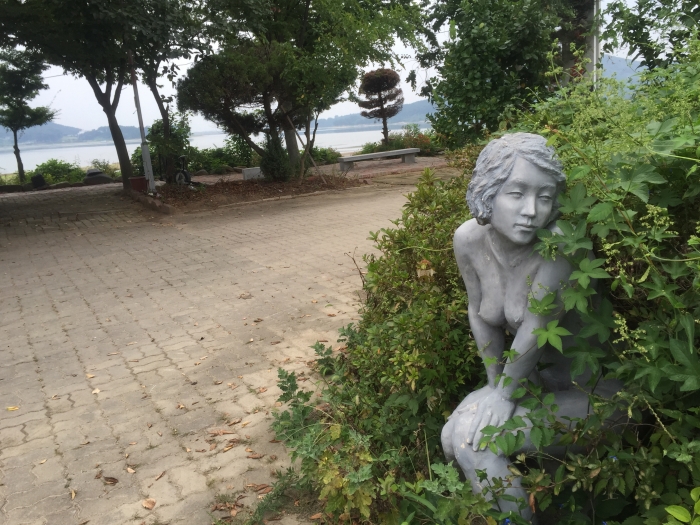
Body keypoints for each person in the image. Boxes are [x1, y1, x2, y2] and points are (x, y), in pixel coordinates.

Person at [441, 133, 619, 520]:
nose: (532, 211)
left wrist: (504, 396)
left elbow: (537, 326)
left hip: (593, 394)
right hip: (532, 386)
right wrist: (495, 387)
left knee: (476, 445)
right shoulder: (468, 240)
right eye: (517, 193)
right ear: (489, 192)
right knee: (451, 437)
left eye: (545, 196)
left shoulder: (561, 246)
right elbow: (479, 313)